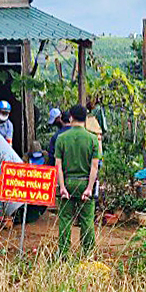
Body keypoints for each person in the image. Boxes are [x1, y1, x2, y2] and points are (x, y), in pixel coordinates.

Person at [55, 104, 101, 257]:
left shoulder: (61, 138)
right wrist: (89, 188)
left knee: (65, 220)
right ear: (85, 119)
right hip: (85, 183)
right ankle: (87, 255)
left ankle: (63, 254)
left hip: (67, 182)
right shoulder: (93, 139)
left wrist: (62, 187)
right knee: (87, 220)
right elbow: (94, 167)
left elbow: (58, 166)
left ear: (71, 118)